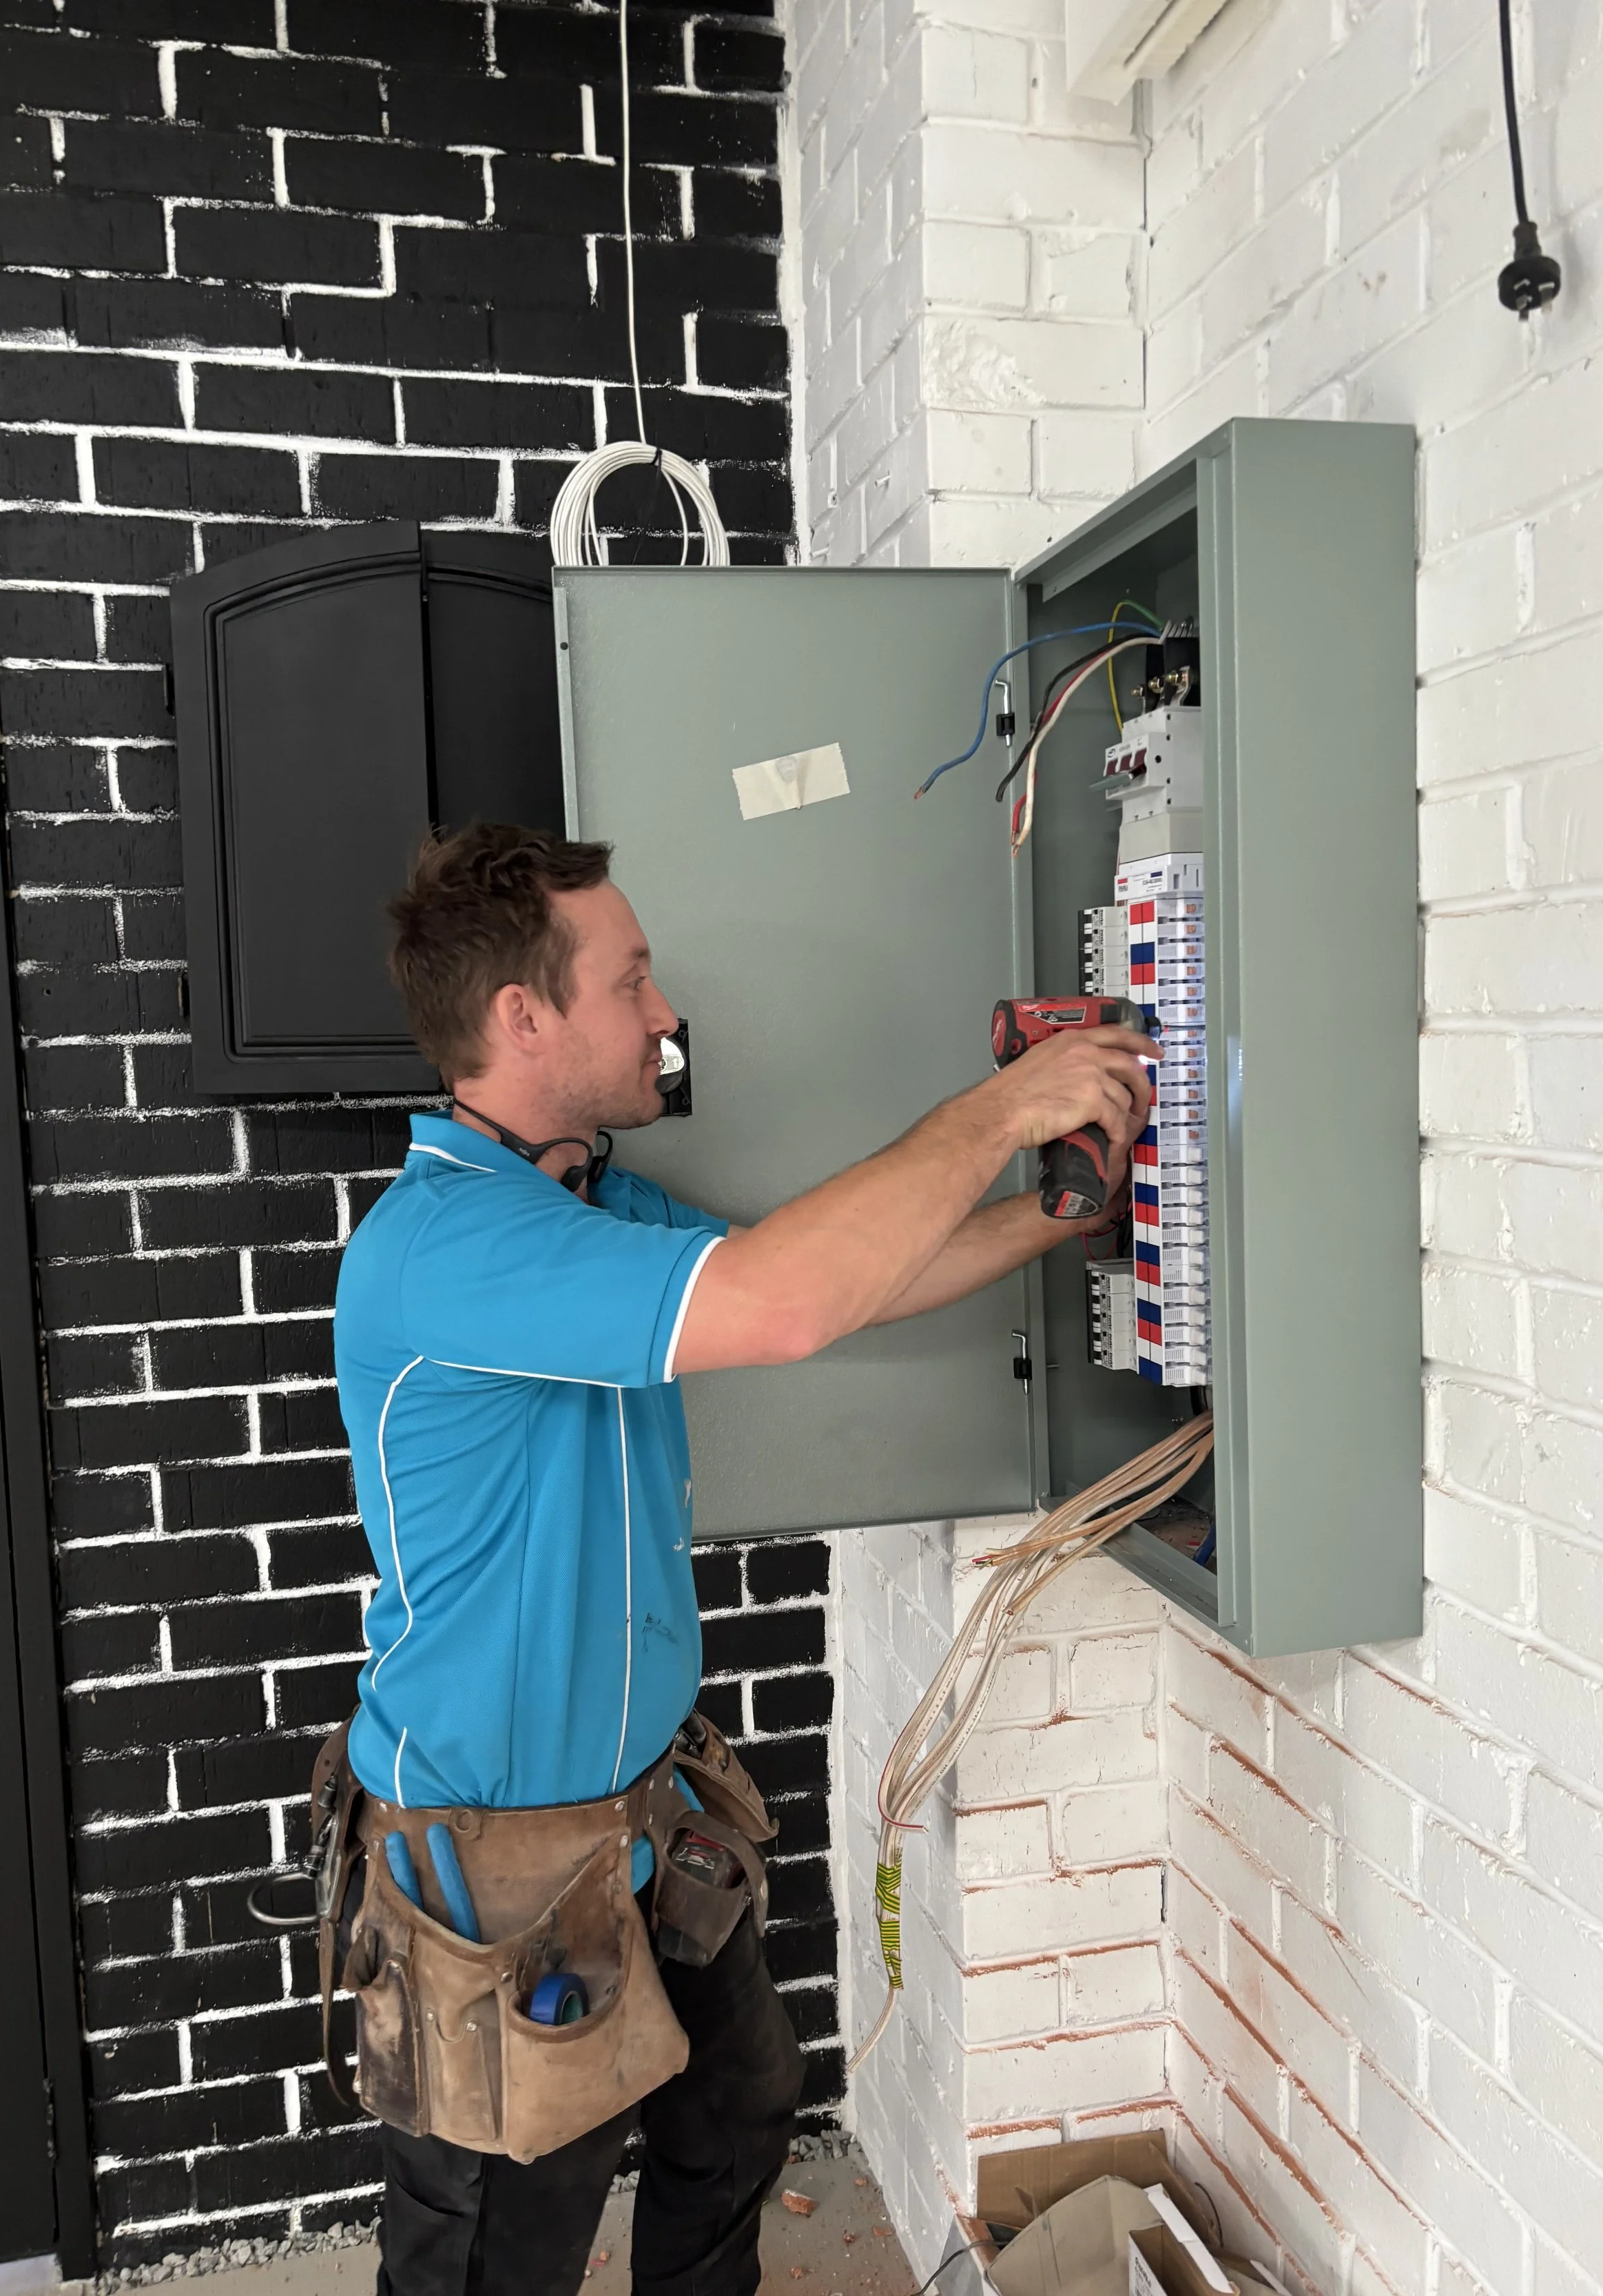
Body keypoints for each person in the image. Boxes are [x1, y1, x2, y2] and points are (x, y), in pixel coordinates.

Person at [331, 822, 1155, 2296]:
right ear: (523, 1019)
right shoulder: (448, 1248)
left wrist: (1056, 1205)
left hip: (644, 1818)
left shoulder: (582, 1212)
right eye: (630, 979)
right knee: (500, 2248)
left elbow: (836, 1278)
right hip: (497, 1873)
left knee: (733, 2114)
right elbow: (782, 1305)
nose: (663, 1012)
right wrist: (1003, 1105)